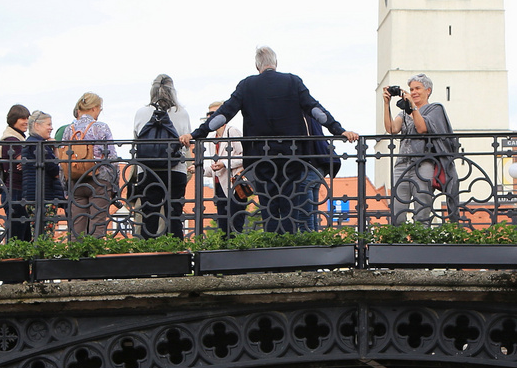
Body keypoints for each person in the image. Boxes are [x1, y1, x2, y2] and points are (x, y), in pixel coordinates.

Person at [182, 46, 358, 234]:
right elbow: (315, 110)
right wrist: (339, 130)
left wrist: (196, 134)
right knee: (290, 206)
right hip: (292, 158)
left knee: (269, 208)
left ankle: (273, 245)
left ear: (257, 66)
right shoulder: (293, 81)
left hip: (261, 158)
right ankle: (289, 249)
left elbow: (224, 114)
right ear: (275, 63)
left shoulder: (247, 85)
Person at [384, 74, 458, 224]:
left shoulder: (434, 109)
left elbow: (422, 128)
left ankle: (421, 241)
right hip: (402, 164)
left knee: (422, 209)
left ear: (428, 91)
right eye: (411, 89)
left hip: (423, 163)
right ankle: (399, 242)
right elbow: (392, 128)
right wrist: (386, 104)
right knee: (397, 209)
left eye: (418, 88)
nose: (414, 92)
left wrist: (413, 107)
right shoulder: (404, 113)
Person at [133, 75, 193, 239]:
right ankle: (176, 255)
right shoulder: (181, 113)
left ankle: (149, 254)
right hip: (174, 169)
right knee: (174, 215)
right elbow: (186, 140)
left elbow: (136, 139)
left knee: (149, 216)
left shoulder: (141, 113)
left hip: (147, 170)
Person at [63, 93, 120, 237]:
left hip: (76, 180)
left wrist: (66, 185)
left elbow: (63, 159)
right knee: (97, 226)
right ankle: (95, 256)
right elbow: (111, 157)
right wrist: (114, 186)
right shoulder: (102, 127)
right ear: (94, 108)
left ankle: (77, 257)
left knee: (77, 227)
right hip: (99, 179)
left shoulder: (69, 129)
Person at [20, 111, 67, 236]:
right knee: (45, 234)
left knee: (36, 232)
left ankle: (39, 253)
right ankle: (44, 255)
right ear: (36, 125)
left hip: (31, 195)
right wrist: (55, 149)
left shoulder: (30, 143)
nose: (51, 128)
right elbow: (55, 169)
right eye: (48, 124)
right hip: (44, 195)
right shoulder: (39, 145)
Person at [205, 101, 248, 234]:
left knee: (235, 225)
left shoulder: (232, 131)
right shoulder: (212, 137)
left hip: (235, 185)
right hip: (219, 187)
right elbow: (215, 167)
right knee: (223, 227)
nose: (212, 116)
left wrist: (224, 163)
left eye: (215, 113)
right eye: (209, 114)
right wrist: (199, 169)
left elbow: (244, 156)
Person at [0, 106, 30, 241]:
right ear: (14, 120)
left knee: (21, 231)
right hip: (14, 190)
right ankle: (14, 260)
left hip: (14, 190)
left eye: (27, 118)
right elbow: (23, 163)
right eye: (23, 118)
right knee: (17, 234)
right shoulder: (12, 139)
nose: (26, 121)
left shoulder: (17, 138)